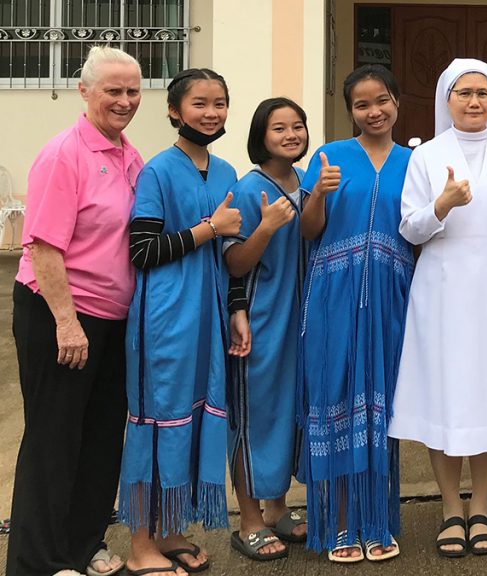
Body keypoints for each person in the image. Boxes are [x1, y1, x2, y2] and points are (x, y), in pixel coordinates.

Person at [389, 58, 487, 557]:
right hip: (441, 285)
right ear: (446, 99)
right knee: (445, 394)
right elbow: (409, 228)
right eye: (464, 93)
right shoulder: (426, 156)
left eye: (483, 92)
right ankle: (449, 508)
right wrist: (443, 204)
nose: (475, 101)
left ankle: (481, 506)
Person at [7, 45, 142, 576]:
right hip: (59, 313)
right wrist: (67, 322)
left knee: (101, 437)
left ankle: (83, 545)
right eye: (113, 90)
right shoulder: (65, 152)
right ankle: (38, 562)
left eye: (133, 90)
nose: (125, 100)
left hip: (112, 319)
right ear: (84, 91)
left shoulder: (127, 153)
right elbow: (42, 246)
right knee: (54, 438)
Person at [119, 68, 241, 576]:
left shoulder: (229, 172)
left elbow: (232, 254)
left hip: (209, 318)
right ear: (174, 111)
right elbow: (142, 250)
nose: (211, 113)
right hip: (165, 319)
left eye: (220, 103)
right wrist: (208, 228)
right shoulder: (157, 171)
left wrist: (236, 312)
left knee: (190, 422)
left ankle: (170, 530)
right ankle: (140, 544)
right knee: (158, 422)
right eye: (199, 103)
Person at [298, 64, 411, 562]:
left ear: (396, 102)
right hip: (333, 295)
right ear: (350, 112)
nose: (374, 111)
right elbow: (307, 231)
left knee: (381, 403)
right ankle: (342, 521)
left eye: (382, 99)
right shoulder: (328, 156)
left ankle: (379, 521)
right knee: (338, 396)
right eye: (362, 104)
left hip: (392, 295)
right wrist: (318, 193)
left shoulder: (415, 160)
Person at [222, 97, 309, 560]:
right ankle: (250, 518)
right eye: (279, 128)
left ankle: (277, 508)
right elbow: (235, 262)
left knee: (287, 412)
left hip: (301, 318)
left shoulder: (304, 182)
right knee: (254, 413)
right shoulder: (249, 187)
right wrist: (268, 226)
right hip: (260, 319)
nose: (291, 135)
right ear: (261, 136)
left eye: (298, 126)